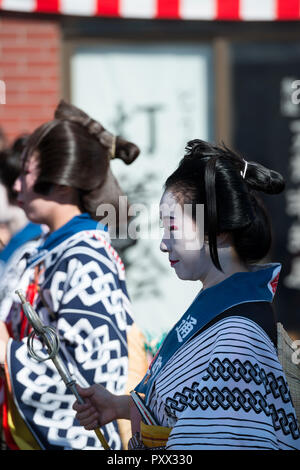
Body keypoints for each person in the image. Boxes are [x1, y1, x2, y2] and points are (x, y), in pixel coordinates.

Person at [73, 139, 300, 450]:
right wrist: (120, 406)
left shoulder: (237, 337)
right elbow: (185, 411)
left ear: (218, 229)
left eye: (172, 227)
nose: (163, 243)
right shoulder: (222, 315)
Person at [0, 100, 148, 450]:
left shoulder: (86, 258)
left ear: (63, 183)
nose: (17, 187)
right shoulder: (49, 249)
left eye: (26, 173)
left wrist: (8, 352)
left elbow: (91, 378)